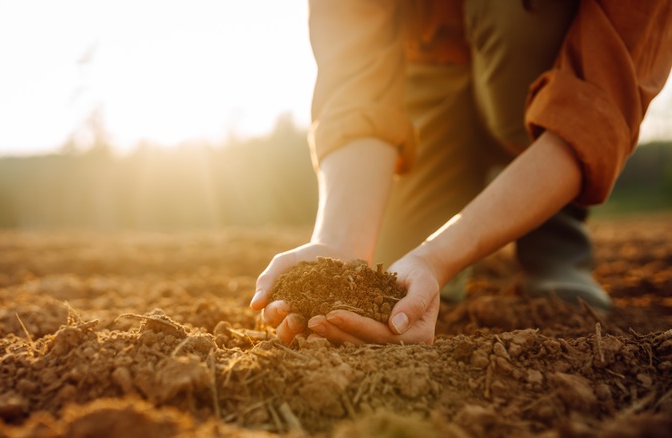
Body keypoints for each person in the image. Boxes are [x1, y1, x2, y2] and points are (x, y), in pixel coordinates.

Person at [250, 0, 672, 346]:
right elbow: (355, 85)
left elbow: (594, 107)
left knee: (520, 20)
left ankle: (553, 232)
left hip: (534, 78)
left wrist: (440, 256)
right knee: (394, 268)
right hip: (428, 77)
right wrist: (339, 243)